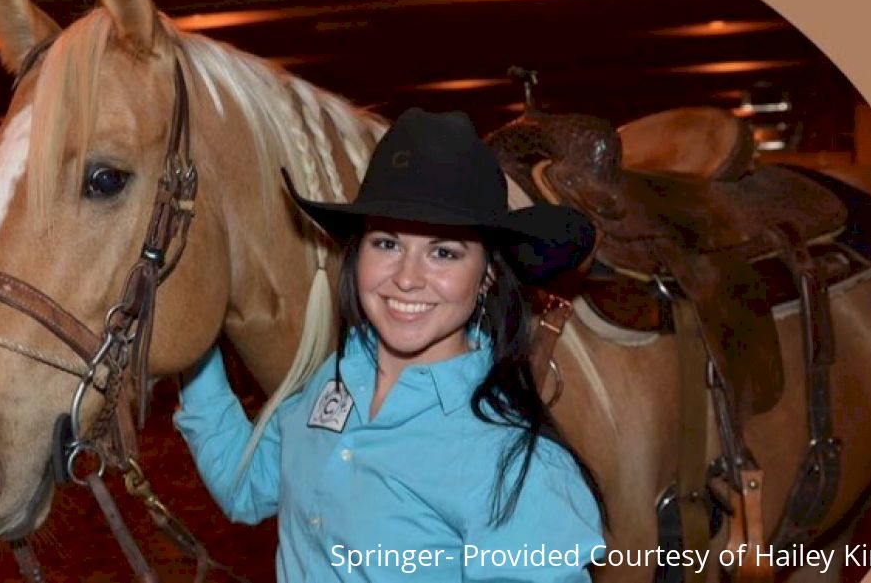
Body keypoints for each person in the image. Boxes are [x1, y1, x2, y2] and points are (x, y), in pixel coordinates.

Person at [175, 108, 605, 581]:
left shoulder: (514, 466)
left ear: (488, 275)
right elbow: (245, 486)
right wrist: (192, 344)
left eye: (443, 252)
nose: (406, 277)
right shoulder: (334, 379)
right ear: (358, 253)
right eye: (386, 244)